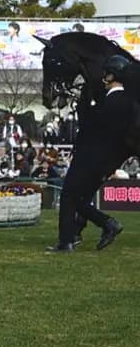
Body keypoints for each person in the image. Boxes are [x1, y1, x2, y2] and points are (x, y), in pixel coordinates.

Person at [47, 55, 137, 253]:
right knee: (77, 199)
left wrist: (84, 106)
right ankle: (104, 224)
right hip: (105, 161)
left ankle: (68, 240)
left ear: (111, 74)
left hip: (91, 157)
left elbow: (91, 128)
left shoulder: (110, 101)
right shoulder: (127, 103)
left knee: (69, 195)